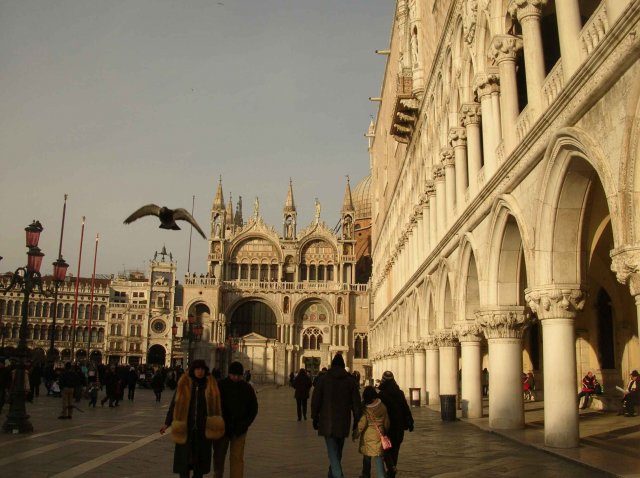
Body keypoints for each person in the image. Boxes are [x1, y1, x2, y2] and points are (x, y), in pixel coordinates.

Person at [161, 359, 223, 478]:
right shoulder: (184, 384)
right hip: (186, 427)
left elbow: (217, 406)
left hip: (202, 429)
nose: (200, 371)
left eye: (202, 369)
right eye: (197, 369)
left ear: (205, 371)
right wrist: (167, 423)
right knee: (184, 462)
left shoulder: (211, 385)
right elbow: (175, 404)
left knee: (199, 463)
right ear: (193, 370)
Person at [311, 353, 361, 478]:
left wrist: (314, 417)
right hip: (343, 422)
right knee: (337, 451)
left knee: (334, 453)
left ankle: (338, 475)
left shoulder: (323, 380)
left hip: (327, 421)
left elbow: (315, 400)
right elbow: (356, 403)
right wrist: (356, 420)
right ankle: (332, 474)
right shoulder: (351, 381)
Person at [213, 361, 258, 478]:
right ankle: (218, 475)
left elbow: (253, 409)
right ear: (229, 374)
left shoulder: (247, 388)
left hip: (240, 429)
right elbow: (214, 405)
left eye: (238, 375)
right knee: (219, 456)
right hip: (222, 429)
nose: (236, 377)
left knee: (237, 458)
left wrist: (245, 424)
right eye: (234, 375)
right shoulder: (221, 385)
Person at [377, 371, 413, 478]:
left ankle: (391, 467)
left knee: (386, 448)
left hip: (387, 426)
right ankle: (392, 469)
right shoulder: (399, 393)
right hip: (399, 426)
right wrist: (410, 421)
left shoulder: (381, 394)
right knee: (395, 448)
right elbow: (405, 408)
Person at [355, 386, 390, 478]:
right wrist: (384, 431)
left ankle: (365, 474)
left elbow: (362, 423)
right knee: (378, 457)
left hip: (368, 436)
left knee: (367, 456)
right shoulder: (382, 406)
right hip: (379, 435)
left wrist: (356, 433)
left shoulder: (366, 409)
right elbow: (386, 422)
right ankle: (381, 475)